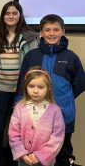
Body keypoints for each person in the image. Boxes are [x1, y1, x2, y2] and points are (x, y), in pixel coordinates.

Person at [17, 14, 85, 166]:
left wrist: (64, 100)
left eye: (56, 29)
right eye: (47, 30)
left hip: (63, 116)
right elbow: (22, 85)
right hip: (34, 119)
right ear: (41, 32)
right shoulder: (31, 56)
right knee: (36, 156)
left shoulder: (71, 57)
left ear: (63, 31)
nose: (52, 33)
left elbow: (80, 84)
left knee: (63, 156)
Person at [0, 1, 39, 166]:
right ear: (3, 16)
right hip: (0, 90)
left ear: (20, 16)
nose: (11, 16)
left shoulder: (30, 37)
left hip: (21, 92)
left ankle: (14, 162)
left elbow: (34, 64)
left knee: (18, 131)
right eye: (7, 13)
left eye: (14, 13)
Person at [9, 67, 65, 166]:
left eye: (40, 87)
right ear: (26, 87)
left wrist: (41, 155)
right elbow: (13, 133)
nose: (35, 91)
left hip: (46, 161)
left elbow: (57, 137)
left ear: (48, 88)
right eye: (31, 86)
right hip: (24, 159)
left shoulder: (55, 110)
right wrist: (22, 153)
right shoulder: (19, 107)